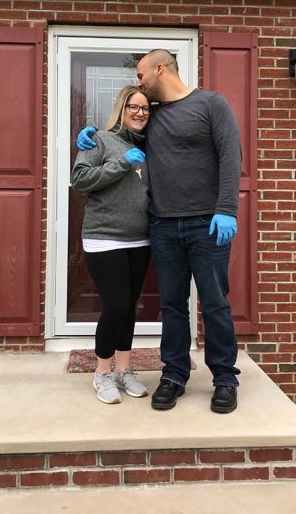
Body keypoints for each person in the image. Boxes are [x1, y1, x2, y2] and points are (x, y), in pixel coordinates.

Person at [77, 49, 242, 414]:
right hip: (163, 226)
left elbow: (232, 155)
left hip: (206, 224)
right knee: (172, 305)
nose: (138, 83)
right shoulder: (152, 118)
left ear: (159, 69)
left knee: (215, 303)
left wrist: (226, 209)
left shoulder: (211, 104)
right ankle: (174, 375)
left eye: (140, 74)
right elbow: (124, 135)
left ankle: (225, 379)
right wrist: (94, 134)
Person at [70, 85, 153, 404]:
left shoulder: (151, 145)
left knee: (129, 307)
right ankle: (101, 373)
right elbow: (80, 180)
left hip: (140, 238)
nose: (140, 112)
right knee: (116, 306)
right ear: (122, 108)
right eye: (134, 106)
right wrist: (121, 164)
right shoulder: (99, 140)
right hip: (104, 237)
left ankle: (124, 370)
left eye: (145, 108)